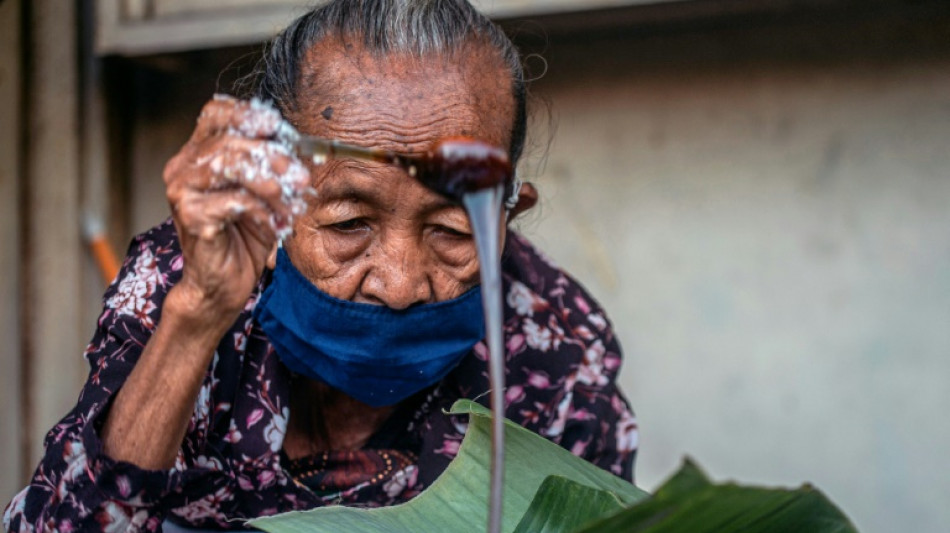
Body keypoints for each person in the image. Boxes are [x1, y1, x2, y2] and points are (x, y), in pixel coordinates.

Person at [3, 1, 638, 531]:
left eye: (451, 230)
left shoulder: (556, 354)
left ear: (509, 215)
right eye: (348, 224)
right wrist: (196, 316)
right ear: (273, 201)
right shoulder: (184, 277)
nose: (398, 284)